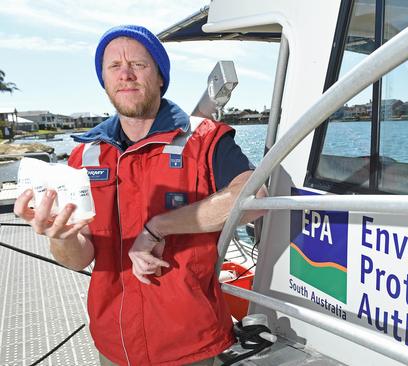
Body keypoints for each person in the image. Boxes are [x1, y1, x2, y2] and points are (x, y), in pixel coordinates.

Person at [13, 25, 266, 366]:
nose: (126, 74)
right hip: (113, 345)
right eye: (113, 66)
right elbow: (77, 257)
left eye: (139, 64)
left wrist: (158, 227)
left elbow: (253, 197)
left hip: (190, 345)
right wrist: (61, 237)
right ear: (104, 80)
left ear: (160, 76)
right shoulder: (84, 156)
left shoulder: (205, 138)